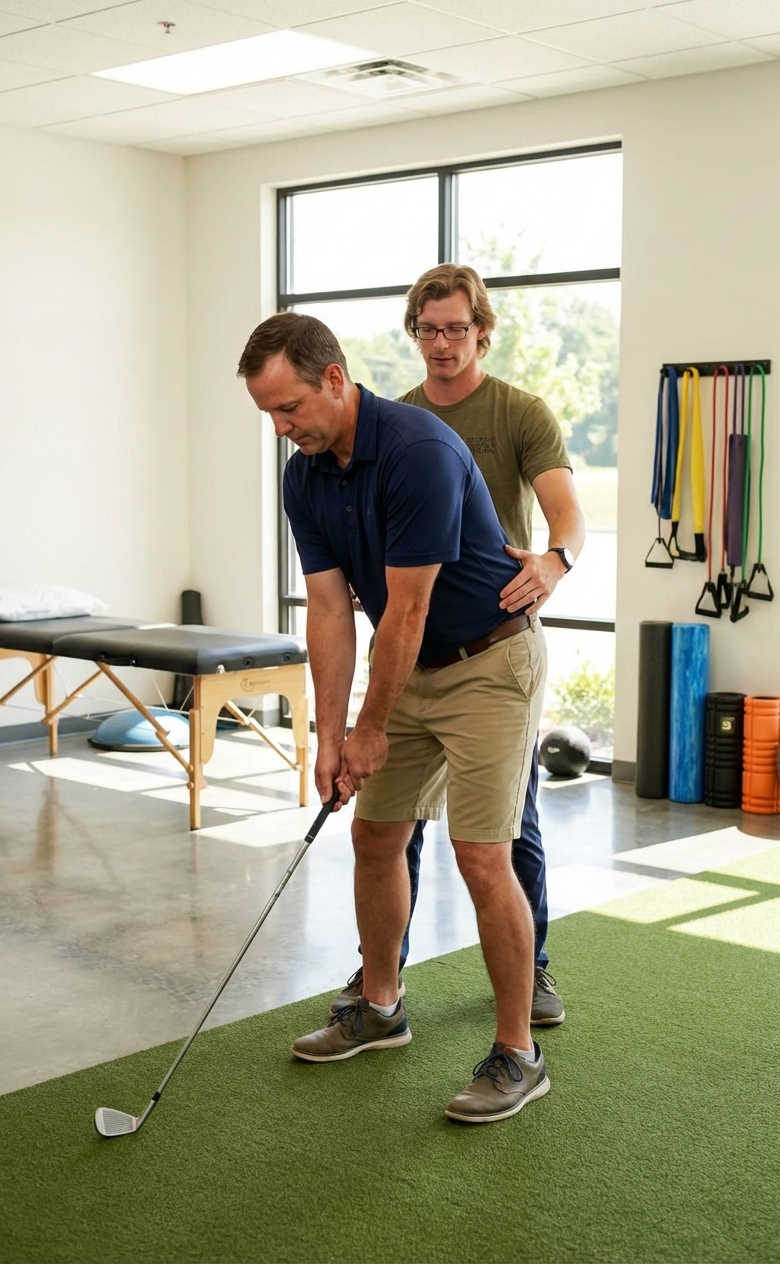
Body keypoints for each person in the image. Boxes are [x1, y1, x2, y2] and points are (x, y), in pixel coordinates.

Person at [239, 311, 550, 1124]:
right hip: (407, 669)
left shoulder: (417, 451)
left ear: (335, 379)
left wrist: (370, 729)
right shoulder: (304, 474)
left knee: (483, 854)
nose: (281, 428)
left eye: (290, 408)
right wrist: (330, 734)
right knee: (375, 835)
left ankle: (519, 1051)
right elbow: (331, 608)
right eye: (268, 413)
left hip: (489, 662)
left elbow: (406, 610)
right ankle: (380, 1007)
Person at [330, 264, 585, 1026]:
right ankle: (382, 981)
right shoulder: (398, 421)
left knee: (509, 832)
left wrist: (555, 560)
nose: (442, 343)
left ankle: (531, 966)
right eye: (428, 330)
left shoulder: (518, 413)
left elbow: (567, 512)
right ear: (414, 333)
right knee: (387, 829)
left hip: (491, 641)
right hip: (409, 649)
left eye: (456, 329)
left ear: (482, 330)